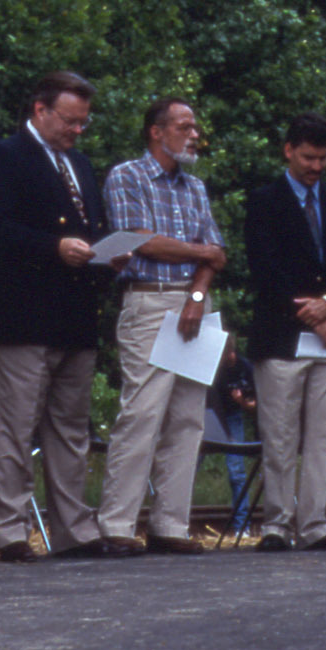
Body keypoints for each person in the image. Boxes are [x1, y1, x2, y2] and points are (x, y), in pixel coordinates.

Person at [0, 71, 126, 561]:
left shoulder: (79, 163)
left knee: (71, 429)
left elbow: (88, 225)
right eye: (69, 120)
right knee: (14, 428)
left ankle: (73, 528)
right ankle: (10, 530)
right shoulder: (3, 157)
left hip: (74, 317)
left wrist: (105, 254)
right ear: (39, 110)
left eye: (84, 122)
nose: (77, 131)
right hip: (21, 315)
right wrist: (54, 247)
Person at [98, 97, 225, 556]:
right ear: (157, 131)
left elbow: (218, 252)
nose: (194, 134)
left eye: (194, 127)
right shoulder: (126, 176)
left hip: (193, 301)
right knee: (142, 412)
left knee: (188, 417)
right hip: (149, 300)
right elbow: (143, 241)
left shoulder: (195, 188)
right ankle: (116, 524)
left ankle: (170, 524)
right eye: (184, 126)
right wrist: (200, 254)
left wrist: (196, 293)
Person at [243, 112, 326, 552]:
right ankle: (276, 524)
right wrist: (311, 313)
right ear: (288, 151)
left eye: (323, 158)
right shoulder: (263, 200)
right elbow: (265, 268)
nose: (316, 166)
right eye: (308, 157)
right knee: (279, 434)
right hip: (282, 335)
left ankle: (316, 524)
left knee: (325, 433)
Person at [207, 340, 256, 535]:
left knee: (236, 471)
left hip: (234, 415)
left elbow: (255, 403)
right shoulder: (213, 369)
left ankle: (242, 525)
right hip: (212, 415)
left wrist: (243, 402)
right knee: (192, 465)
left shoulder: (245, 368)